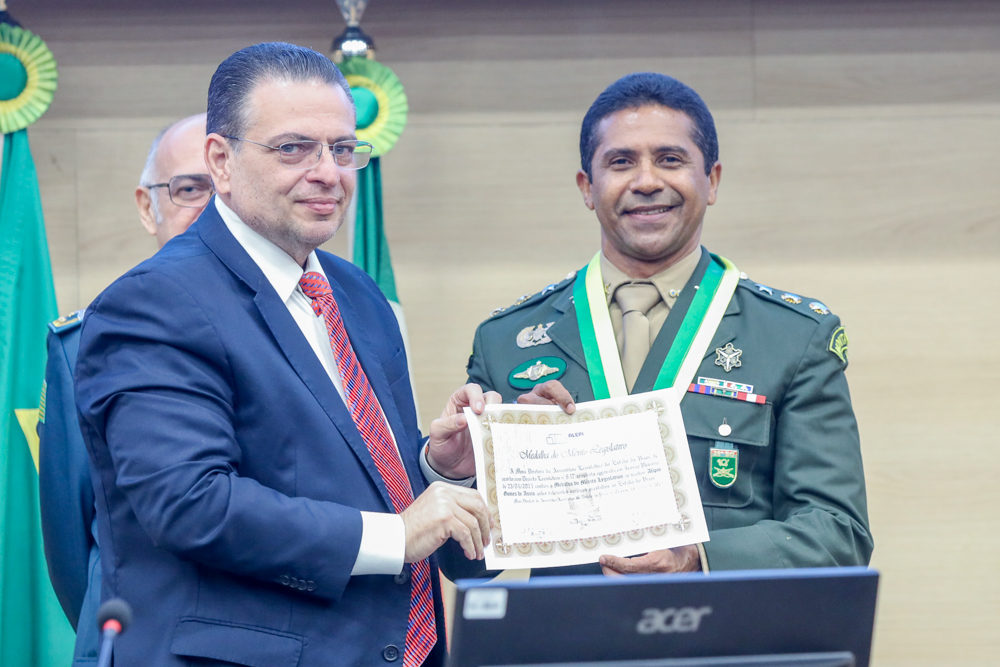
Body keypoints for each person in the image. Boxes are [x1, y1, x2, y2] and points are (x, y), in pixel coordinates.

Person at [74, 43, 492, 667]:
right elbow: (189, 502)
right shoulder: (154, 302)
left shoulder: (357, 295)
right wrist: (396, 535)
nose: (328, 172)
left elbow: (357, 478)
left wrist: (439, 470)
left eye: (343, 150)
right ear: (221, 159)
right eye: (293, 148)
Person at [452, 72, 873, 579]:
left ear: (711, 180)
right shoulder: (506, 342)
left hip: (727, 646)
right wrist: (457, 469)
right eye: (621, 161)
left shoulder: (793, 336)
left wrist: (700, 559)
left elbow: (838, 534)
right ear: (588, 187)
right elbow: (466, 566)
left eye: (670, 159)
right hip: (577, 649)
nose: (646, 180)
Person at [38, 112, 212, 665]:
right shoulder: (84, 343)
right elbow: (72, 547)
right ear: (147, 206)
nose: (211, 210)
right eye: (189, 189)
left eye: (224, 189)